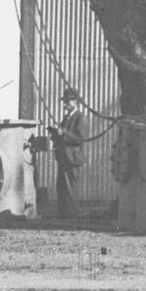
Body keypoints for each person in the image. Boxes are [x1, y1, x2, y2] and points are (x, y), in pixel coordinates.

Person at [51, 89, 98, 219]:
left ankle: (72, 213)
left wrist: (63, 134)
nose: (64, 104)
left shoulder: (81, 117)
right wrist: (55, 133)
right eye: (64, 102)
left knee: (70, 186)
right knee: (61, 185)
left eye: (67, 101)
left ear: (75, 102)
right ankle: (63, 212)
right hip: (63, 156)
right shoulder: (67, 117)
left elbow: (80, 137)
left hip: (72, 157)